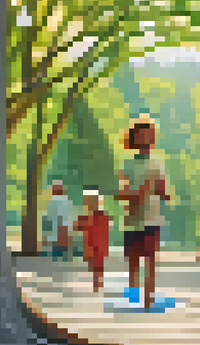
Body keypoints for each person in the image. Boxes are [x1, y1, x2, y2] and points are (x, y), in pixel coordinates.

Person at [116, 115, 173, 310]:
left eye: (149, 135)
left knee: (150, 259)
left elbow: (163, 191)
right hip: (132, 219)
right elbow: (120, 192)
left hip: (152, 218)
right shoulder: (127, 165)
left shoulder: (157, 164)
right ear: (134, 139)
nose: (146, 139)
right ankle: (133, 297)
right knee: (133, 261)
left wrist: (164, 193)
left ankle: (149, 298)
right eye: (141, 135)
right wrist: (135, 194)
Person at [73, 189, 113, 293]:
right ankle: (97, 282)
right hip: (91, 244)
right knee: (93, 264)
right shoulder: (86, 216)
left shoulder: (101, 215)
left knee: (98, 264)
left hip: (98, 244)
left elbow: (106, 226)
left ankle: (97, 283)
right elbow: (77, 226)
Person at [43, 180, 75, 261]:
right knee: (62, 257)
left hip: (58, 234)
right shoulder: (65, 201)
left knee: (56, 257)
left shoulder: (57, 202)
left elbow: (61, 219)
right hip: (59, 234)